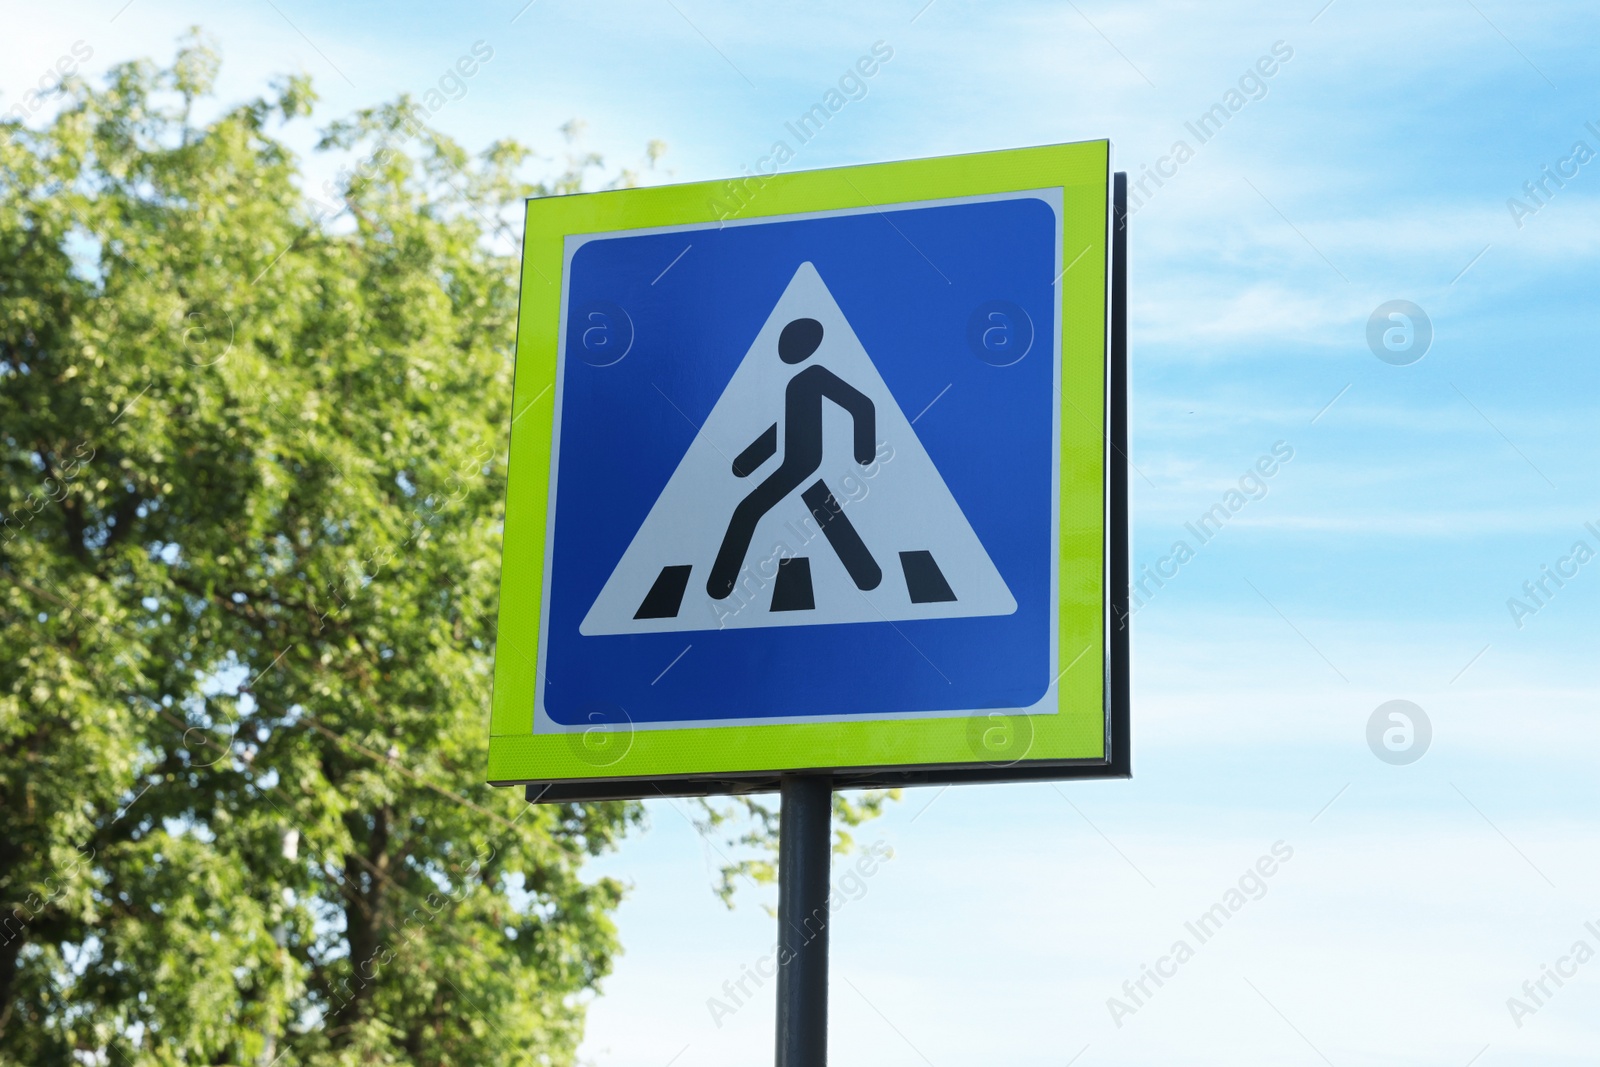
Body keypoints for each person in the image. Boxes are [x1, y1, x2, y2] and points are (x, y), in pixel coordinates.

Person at [707, 316, 881, 600]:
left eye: (788, 343)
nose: (782, 350)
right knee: (824, 510)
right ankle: (867, 575)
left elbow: (861, 406)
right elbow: (782, 430)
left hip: (804, 463)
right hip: (797, 464)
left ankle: (720, 586)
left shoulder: (815, 375)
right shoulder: (793, 383)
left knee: (747, 512)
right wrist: (746, 462)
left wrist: (864, 452)